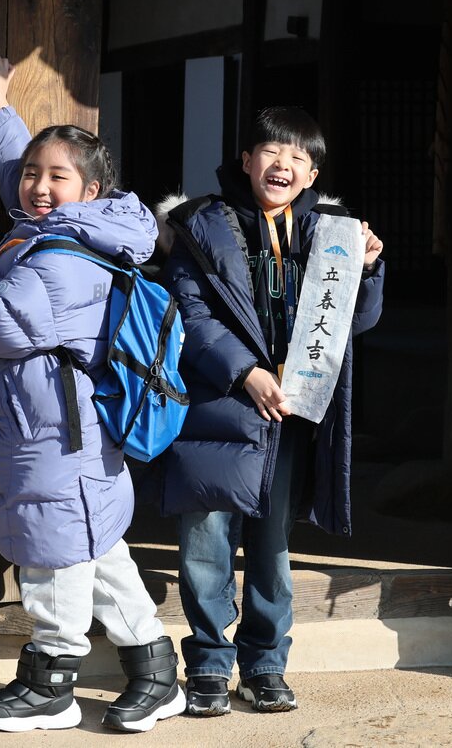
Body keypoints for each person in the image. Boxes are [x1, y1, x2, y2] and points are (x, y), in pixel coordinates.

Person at [0, 55, 183, 734]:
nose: (38, 188)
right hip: (66, 433)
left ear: (92, 191)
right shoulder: (77, 229)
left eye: (57, 178)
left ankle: (52, 683)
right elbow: (27, 188)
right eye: (33, 174)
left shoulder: (62, 259)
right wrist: (0, 110)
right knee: (96, 550)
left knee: (52, 558)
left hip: (57, 438)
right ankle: (158, 673)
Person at [152, 107, 386, 715]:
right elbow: (188, 317)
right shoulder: (201, 224)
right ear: (246, 160)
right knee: (204, 540)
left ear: (312, 174)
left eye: (298, 157)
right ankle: (206, 662)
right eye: (270, 151)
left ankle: (264, 663)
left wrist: (367, 270)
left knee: (272, 546)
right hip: (217, 405)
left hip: (291, 415)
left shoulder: (331, 232)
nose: (282, 164)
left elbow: (353, 324)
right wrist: (246, 372)